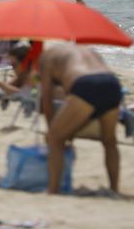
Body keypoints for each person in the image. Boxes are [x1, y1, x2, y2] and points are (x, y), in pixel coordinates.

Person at [39, 43, 122, 194]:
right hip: (112, 83)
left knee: (54, 139)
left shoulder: (45, 57)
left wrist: (52, 129)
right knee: (110, 141)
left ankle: (53, 190)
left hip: (85, 84)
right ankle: (114, 189)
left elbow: (46, 99)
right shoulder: (87, 50)